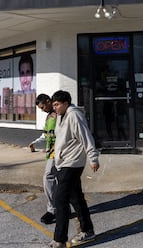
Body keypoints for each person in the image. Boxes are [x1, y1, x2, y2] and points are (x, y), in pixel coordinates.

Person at [48, 90, 100, 248]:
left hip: (72, 163)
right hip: (63, 162)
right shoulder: (61, 116)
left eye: (57, 104)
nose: (54, 107)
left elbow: (86, 136)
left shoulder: (74, 115)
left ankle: (59, 240)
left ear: (65, 103)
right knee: (76, 198)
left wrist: (93, 158)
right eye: (54, 104)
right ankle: (87, 230)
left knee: (60, 200)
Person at [28, 94, 58, 225]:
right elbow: (46, 134)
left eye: (43, 106)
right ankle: (63, 208)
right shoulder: (49, 116)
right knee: (56, 181)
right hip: (52, 153)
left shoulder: (59, 115)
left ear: (48, 101)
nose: (42, 110)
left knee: (48, 178)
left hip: (59, 153)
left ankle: (52, 210)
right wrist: (35, 142)